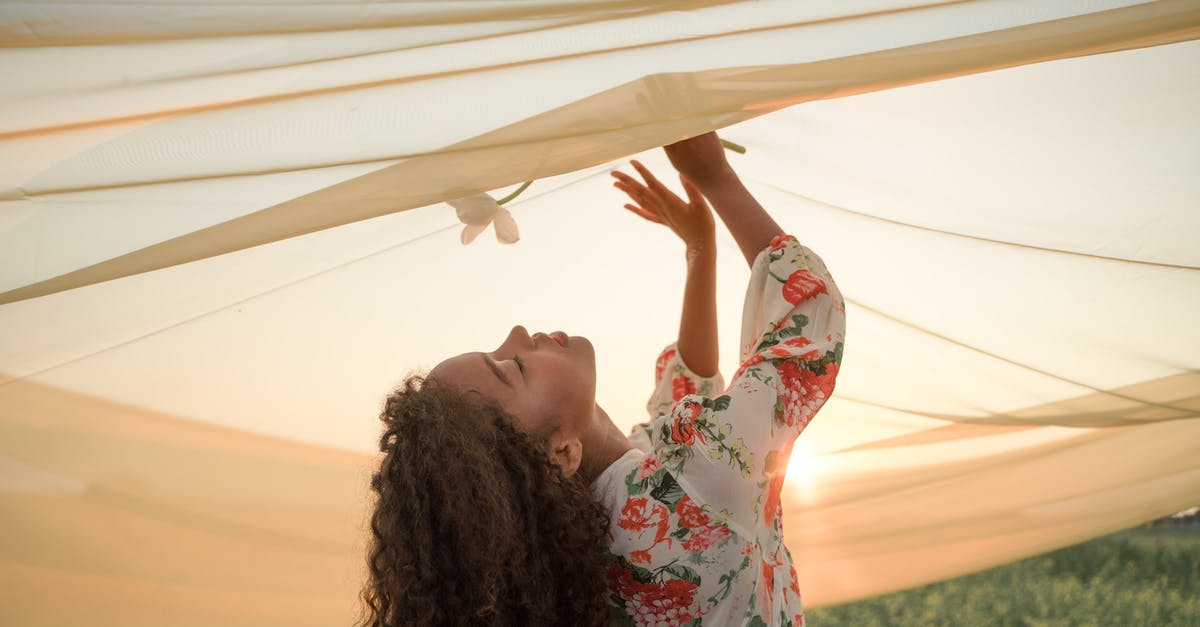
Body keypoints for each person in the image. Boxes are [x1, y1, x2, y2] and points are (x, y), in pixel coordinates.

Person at [360, 131, 846, 626]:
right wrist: (717, 179)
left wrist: (701, 250)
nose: (517, 332)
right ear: (562, 453)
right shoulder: (692, 485)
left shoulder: (596, 545)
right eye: (514, 367)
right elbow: (808, 312)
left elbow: (684, 400)